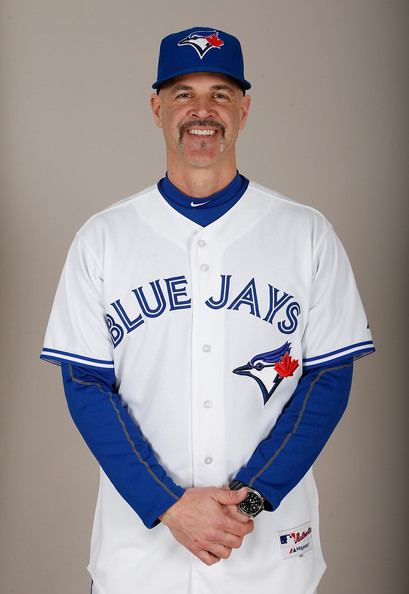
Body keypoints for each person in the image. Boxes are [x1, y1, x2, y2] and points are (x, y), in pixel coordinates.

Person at [41, 26, 375, 594]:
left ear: (244, 108)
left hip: (267, 551)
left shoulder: (305, 233)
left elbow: (328, 378)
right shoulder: (104, 238)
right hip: (140, 555)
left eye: (220, 94)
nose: (202, 111)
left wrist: (253, 498)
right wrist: (169, 506)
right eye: (183, 94)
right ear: (156, 107)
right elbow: (85, 385)